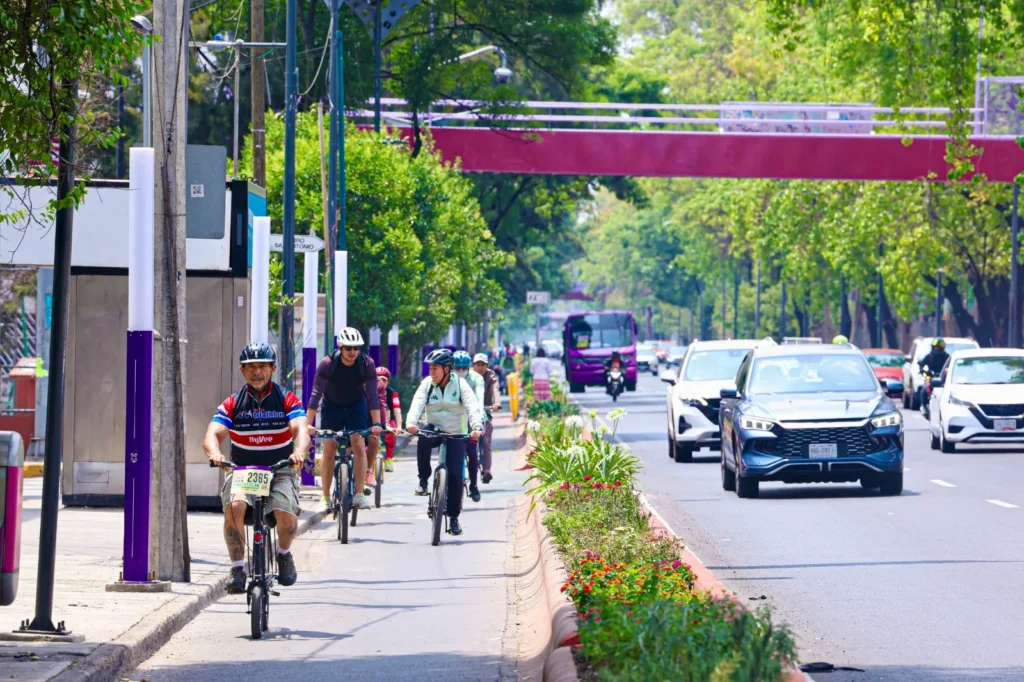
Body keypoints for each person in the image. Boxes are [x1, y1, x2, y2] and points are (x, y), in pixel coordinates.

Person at [204, 342, 308, 594]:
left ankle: (283, 554)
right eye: (251, 367)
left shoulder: (287, 399)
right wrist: (215, 453)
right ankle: (237, 569)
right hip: (244, 471)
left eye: (262, 366)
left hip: (280, 470)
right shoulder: (232, 403)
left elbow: (301, 429)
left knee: (285, 512)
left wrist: (299, 452)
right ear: (242, 370)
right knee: (235, 506)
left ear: (273, 369)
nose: (257, 372)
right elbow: (212, 434)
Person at [405, 349, 483, 537]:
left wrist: (476, 427)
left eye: (435, 368)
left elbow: (472, 406)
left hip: (456, 432)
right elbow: (417, 403)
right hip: (434, 428)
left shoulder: (461, 384)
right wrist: (411, 423)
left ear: (447, 369)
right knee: (423, 439)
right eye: (430, 368)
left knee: (456, 475)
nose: (431, 372)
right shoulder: (427, 384)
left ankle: (454, 518)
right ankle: (423, 480)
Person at [305, 327, 383, 512]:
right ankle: (325, 497)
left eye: (356, 348)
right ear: (340, 346)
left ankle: (359, 494)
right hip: (332, 407)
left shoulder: (366, 363)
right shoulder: (327, 364)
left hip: (356, 406)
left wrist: (377, 424)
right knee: (329, 449)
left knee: (358, 443)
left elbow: (373, 395)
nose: (352, 352)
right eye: (348, 348)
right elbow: (316, 394)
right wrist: (308, 424)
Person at [453, 350, 486, 502]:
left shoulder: (476, 379)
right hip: (452, 419)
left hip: (471, 418)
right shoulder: (448, 379)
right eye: (457, 368)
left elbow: (479, 399)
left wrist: (478, 420)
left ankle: (473, 485)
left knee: (472, 452)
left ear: (468, 367)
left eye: (463, 368)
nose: (460, 371)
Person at [473, 353, 502, 484]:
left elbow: (495, 389)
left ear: (486, 366)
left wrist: (497, 403)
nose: (480, 367)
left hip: (485, 411)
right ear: (473, 365)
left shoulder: (491, 376)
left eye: (483, 365)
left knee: (486, 439)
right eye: (477, 364)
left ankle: (486, 470)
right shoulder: (468, 375)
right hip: (467, 412)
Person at [378, 367, 402, 472]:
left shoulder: (392, 393)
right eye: (378, 379)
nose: (381, 382)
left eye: (384, 380)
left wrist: (399, 426)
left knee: (392, 431)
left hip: (388, 420)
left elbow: (397, 410)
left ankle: (389, 459)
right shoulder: (369, 391)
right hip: (372, 420)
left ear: (388, 381)